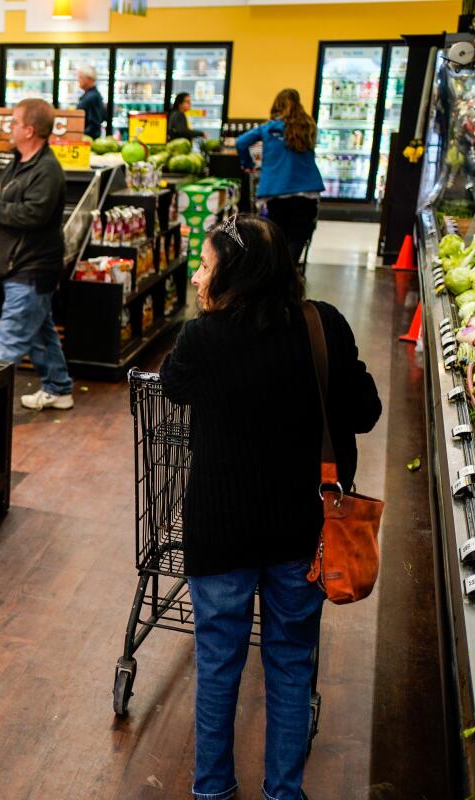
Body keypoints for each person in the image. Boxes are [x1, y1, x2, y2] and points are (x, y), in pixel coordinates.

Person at [159, 214, 381, 800]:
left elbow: (174, 387)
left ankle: (213, 790)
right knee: (289, 664)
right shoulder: (321, 325)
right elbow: (365, 411)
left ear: (232, 273)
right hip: (301, 532)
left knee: (219, 664)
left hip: (221, 532)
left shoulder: (202, 337)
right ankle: (284, 792)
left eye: (206, 266)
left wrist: (208, 317)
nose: (200, 275)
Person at [0, 98, 75, 410]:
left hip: (31, 268)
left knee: (10, 341)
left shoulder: (46, 169)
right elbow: (15, 208)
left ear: (29, 130)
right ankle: (59, 389)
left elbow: (34, 215)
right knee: (41, 333)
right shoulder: (19, 162)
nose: (10, 127)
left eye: (14, 122)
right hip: (19, 265)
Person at [236, 89, 326, 267]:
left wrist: (247, 164)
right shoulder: (308, 125)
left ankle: (278, 274)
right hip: (306, 190)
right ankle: (290, 272)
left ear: (277, 105)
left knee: (279, 235)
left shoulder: (268, 128)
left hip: (275, 190)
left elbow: (240, 142)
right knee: (299, 236)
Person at [75, 66, 107, 141]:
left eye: (80, 77)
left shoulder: (91, 97)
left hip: (88, 140)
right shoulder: (92, 95)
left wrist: (81, 136)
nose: (78, 80)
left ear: (89, 79)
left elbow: (94, 124)